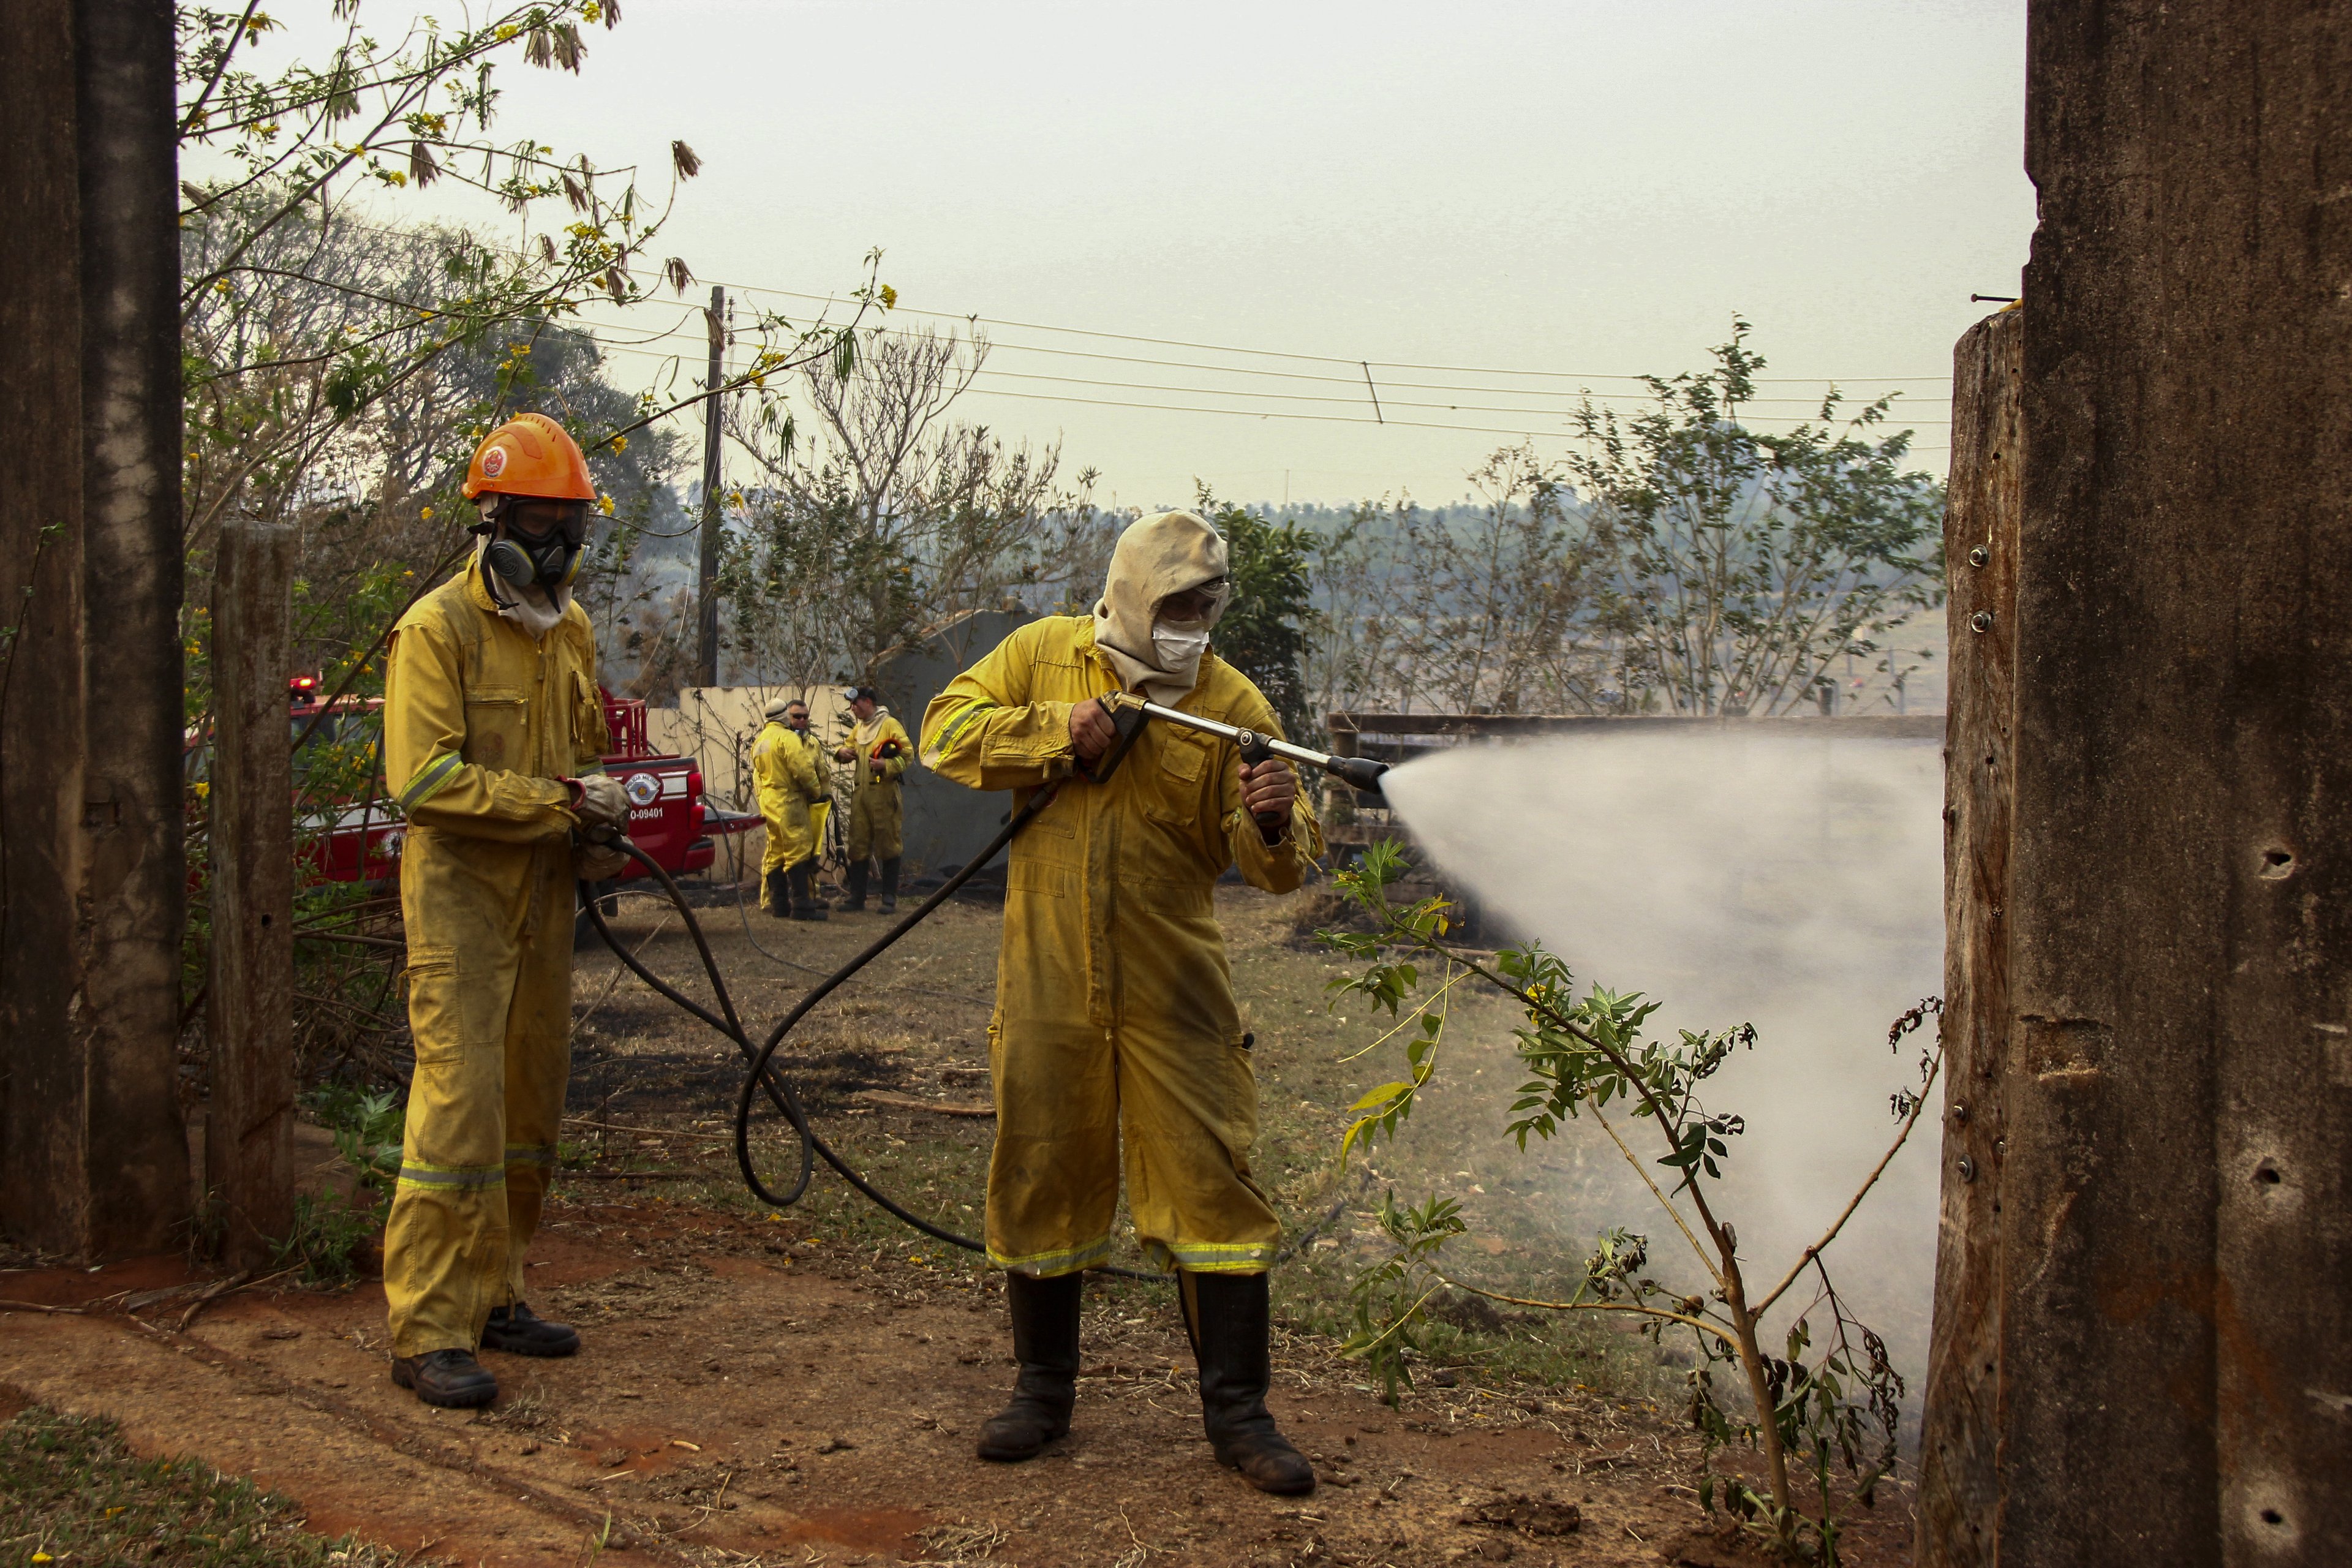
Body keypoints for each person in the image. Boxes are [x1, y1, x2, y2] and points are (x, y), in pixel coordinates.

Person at [920, 510, 1324, 1494]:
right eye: (1177, 604)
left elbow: (1282, 864)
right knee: (1043, 1167)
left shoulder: (1230, 702)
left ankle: (1240, 1416)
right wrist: (1056, 730)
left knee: (1211, 1185)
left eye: (1208, 605)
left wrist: (1272, 822)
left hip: (1174, 985)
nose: (1194, 622)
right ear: (1134, 597)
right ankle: (1041, 1393)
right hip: (1048, 976)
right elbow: (943, 734)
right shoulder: (1040, 656)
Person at [378, 413, 629, 1408]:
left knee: (529, 1105)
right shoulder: (436, 628)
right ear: (492, 522)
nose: (558, 546)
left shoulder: (568, 628)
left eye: (571, 525)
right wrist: (554, 805)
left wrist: (599, 814)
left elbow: (579, 754)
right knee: (459, 1109)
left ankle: (496, 1297)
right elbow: (425, 781)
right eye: (540, 522)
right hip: (462, 904)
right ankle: (428, 1329)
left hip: (543, 898)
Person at [834, 685, 912, 913]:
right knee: (858, 845)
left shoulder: (889, 725)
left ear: (868, 702)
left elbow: (908, 754)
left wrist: (886, 765)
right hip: (861, 795)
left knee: (889, 844)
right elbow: (847, 746)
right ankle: (857, 897)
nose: (852, 709)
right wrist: (841, 753)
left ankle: (889, 897)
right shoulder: (859, 728)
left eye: (855, 704)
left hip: (884, 794)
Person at [752, 696, 829, 921]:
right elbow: (803, 770)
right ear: (785, 716)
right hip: (789, 800)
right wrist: (816, 792)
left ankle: (780, 906)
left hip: (769, 801)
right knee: (798, 848)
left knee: (776, 851)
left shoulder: (760, 741)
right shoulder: (787, 738)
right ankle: (802, 907)